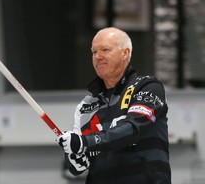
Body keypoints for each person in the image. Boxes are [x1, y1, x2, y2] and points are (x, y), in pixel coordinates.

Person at [57, 27, 171, 184]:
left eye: (105, 50)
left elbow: (132, 129)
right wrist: (74, 156)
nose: (98, 57)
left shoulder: (147, 86)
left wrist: (86, 142)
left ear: (125, 53)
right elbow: (77, 168)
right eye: (94, 52)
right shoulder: (86, 106)